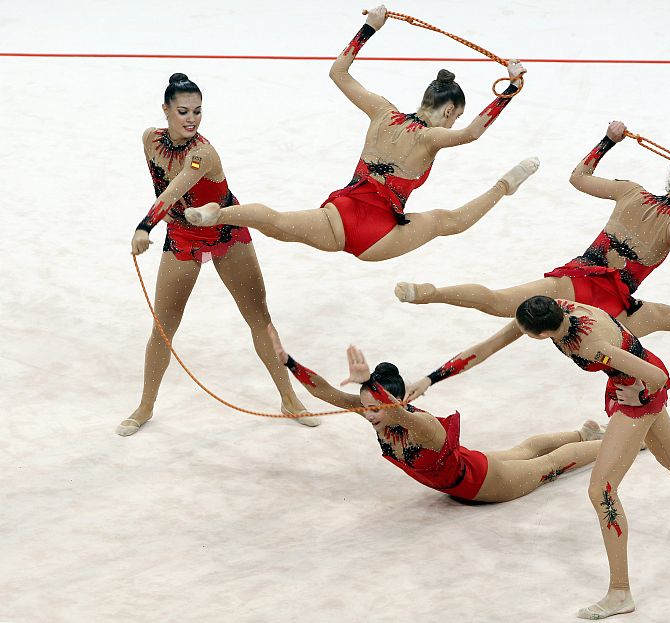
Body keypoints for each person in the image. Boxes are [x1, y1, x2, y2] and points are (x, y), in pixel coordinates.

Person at [404, 296, 670, 619]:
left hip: (639, 389)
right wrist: (431, 378)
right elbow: (490, 346)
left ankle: (620, 592)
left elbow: (656, 376)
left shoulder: (590, 346)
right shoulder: (555, 308)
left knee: (601, 490)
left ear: (541, 335)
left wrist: (640, 393)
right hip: (628, 377)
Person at [184, 6, 538, 261]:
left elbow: (338, 73)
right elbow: (473, 133)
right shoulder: (429, 138)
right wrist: (510, 88)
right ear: (448, 111)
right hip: (378, 235)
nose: (453, 123)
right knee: (450, 222)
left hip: (339, 214)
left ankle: (219, 213)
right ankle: (504, 186)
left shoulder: (382, 112)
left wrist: (369, 28)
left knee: (276, 222)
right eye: (455, 116)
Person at [395, 120, 670, 338]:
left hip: (574, 281)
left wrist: (607, 141)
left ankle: (430, 293)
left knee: (497, 301)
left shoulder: (630, 191)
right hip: (611, 306)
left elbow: (578, 177)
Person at [119, 73, 318, 436]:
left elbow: (174, 189)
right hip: (183, 235)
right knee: (163, 327)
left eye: (197, 111)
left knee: (259, 318)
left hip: (225, 228)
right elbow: (164, 185)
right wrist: (161, 223)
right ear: (165, 109)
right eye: (183, 111)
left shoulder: (203, 154)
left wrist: (145, 226)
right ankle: (145, 406)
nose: (191, 119)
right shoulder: (150, 139)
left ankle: (289, 398)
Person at [266, 325, 628, 503]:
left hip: (486, 485)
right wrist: (288, 362)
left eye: (375, 406)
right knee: (525, 448)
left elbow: (396, 412)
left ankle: (624, 441)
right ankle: (585, 433)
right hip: (468, 467)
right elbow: (326, 392)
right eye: (366, 407)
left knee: (552, 464)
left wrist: (370, 387)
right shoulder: (376, 414)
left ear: (396, 402)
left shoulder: (420, 425)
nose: (369, 415)